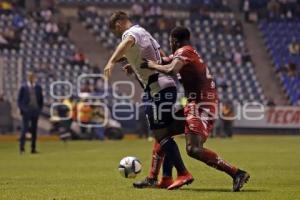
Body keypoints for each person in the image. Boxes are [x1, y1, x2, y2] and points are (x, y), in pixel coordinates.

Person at [144, 26, 250, 191]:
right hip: (195, 103)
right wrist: (138, 64)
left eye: (170, 42)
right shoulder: (186, 52)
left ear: (174, 41)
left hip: (201, 105)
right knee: (162, 132)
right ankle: (159, 178)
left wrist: (151, 65)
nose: (170, 45)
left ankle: (237, 173)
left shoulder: (184, 52)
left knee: (193, 149)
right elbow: (164, 61)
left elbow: (171, 69)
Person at [104, 11, 192, 189]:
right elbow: (160, 54)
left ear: (119, 24)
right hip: (160, 88)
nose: (116, 34)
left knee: (162, 134)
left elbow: (128, 43)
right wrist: (134, 65)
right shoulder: (144, 32)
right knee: (163, 134)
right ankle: (164, 177)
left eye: (115, 30)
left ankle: (183, 173)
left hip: (158, 88)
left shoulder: (130, 34)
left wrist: (111, 61)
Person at [17, 71, 44, 154]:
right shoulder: (23, 87)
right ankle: (22, 148)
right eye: (30, 76)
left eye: (32, 76)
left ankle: (33, 148)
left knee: (34, 130)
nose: (31, 78)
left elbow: (41, 99)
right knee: (24, 129)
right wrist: (23, 109)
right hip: (26, 111)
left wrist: (39, 109)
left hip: (35, 111)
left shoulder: (38, 87)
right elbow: (19, 100)